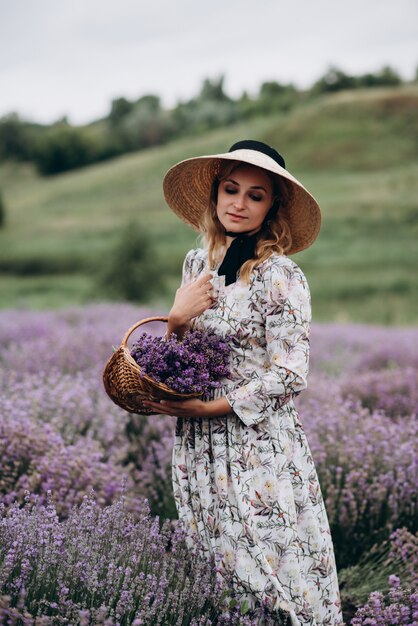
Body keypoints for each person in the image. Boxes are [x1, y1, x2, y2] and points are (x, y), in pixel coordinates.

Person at [142, 140, 343, 626]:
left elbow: (290, 373)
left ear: (272, 205)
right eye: (230, 189)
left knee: (273, 567)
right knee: (215, 566)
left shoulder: (280, 274)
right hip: (198, 443)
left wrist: (213, 408)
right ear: (214, 195)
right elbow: (183, 356)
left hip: (257, 444)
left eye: (255, 195)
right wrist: (174, 321)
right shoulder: (197, 265)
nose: (238, 202)